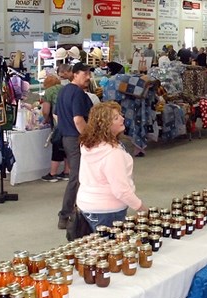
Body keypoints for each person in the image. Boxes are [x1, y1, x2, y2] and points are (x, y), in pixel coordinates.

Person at [76, 101, 147, 229]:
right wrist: (141, 208)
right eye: (116, 118)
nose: (122, 118)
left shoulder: (88, 144)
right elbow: (121, 189)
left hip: (87, 205)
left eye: (120, 114)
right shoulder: (113, 153)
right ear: (105, 125)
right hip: (108, 210)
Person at [55, 63, 94, 230]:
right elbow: (78, 120)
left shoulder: (63, 90)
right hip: (76, 138)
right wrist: (89, 138)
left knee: (80, 175)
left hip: (67, 138)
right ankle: (65, 214)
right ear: (76, 74)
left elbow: (56, 115)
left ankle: (81, 210)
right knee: (77, 177)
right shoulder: (77, 93)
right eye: (85, 74)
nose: (89, 77)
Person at [40, 73, 70, 182]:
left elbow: (46, 111)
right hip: (70, 122)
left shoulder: (48, 92)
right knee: (66, 147)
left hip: (58, 122)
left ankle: (52, 174)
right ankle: (67, 172)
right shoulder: (65, 88)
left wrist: (45, 120)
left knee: (57, 146)